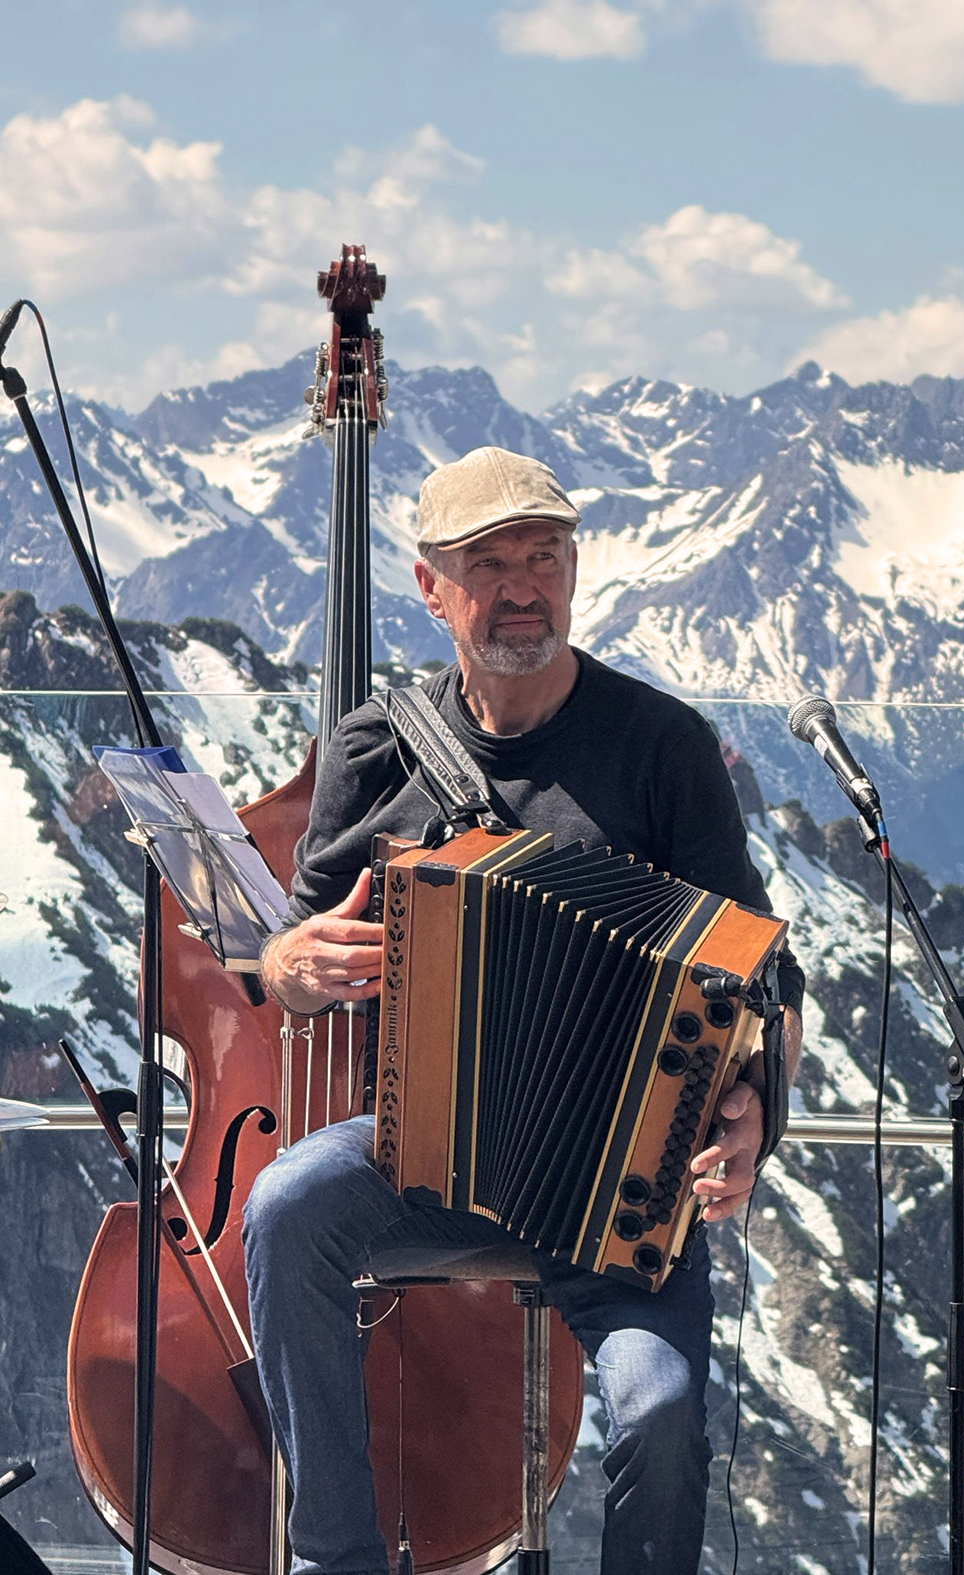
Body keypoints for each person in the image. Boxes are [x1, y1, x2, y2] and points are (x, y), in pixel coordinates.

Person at [245, 446, 805, 1575]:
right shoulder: (373, 749)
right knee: (285, 1206)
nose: (519, 587)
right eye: (486, 562)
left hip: (623, 1182)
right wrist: (291, 962)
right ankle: (333, 1561)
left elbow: (762, 975)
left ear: (573, 569)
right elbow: (288, 952)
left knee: (656, 1413)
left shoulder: (661, 747)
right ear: (429, 586)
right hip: (426, 1155)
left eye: (540, 558)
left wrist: (757, 1115)